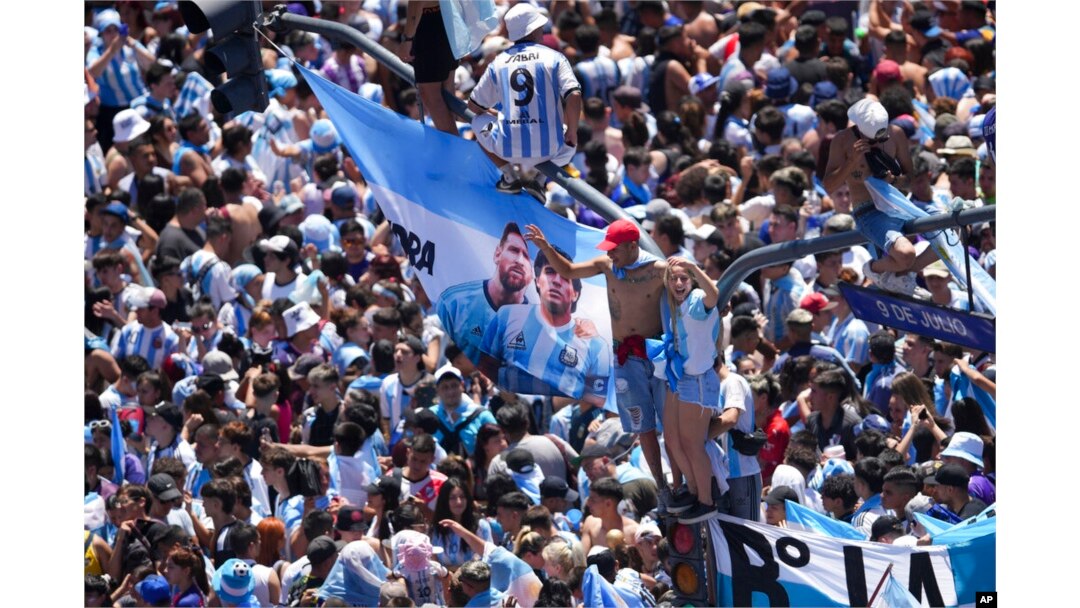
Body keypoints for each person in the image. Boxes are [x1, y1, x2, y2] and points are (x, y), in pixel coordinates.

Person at [523, 220, 670, 503]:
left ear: (632, 246)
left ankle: (678, 481)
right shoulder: (606, 266)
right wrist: (544, 247)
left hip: (655, 355)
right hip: (624, 359)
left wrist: (719, 301)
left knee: (671, 427)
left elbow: (696, 292)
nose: (611, 254)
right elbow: (568, 271)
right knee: (645, 428)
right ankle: (664, 486)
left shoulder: (660, 270)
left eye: (615, 249)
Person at [468, 3, 581, 200]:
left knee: (477, 123)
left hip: (507, 148)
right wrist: (572, 131)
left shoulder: (499, 62)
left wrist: (496, 114)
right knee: (571, 140)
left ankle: (510, 177)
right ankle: (539, 180)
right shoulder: (555, 58)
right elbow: (574, 95)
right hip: (550, 149)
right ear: (535, 29)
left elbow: (474, 106)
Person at [822, 98, 935, 295]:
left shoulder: (897, 134)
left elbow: (910, 179)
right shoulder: (842, 141)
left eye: (882, 138)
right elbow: (829, 186)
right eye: (873, 140)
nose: (878, 142)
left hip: (899, 206)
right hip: (868, 211)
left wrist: (893, 181)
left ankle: (901, 275)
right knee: (906, 254)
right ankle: (873, 269)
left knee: (953, 232)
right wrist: (852, 161)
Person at [479, 244, 612, 407]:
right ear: (537, 282)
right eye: (549, 272)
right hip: (504, 419)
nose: (556, 281)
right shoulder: (506, 317)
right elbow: (485, 365)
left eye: (564, 276)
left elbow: (598, 398)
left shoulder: (596, 346)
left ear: (575, 294)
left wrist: (549, 410)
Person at [658, 256, 721, 523]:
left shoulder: (696, 300)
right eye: (673, 278)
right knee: (672, 440)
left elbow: (714, 296)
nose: (679, 282)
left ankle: (706, 501)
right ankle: (694, 491)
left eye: (684, 277)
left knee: (693, 445)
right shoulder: (678, 305)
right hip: (682, 376)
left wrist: (695, 268)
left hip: (698, 380)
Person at [437, 222, 534, 364]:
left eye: (526, 256)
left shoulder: (538, 325)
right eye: (514, 250)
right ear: (497, 254)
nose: (520, 260)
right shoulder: (454, 303)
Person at [398, 0, 457, 134]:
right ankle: (455, 143)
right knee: (446, 89)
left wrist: (407, 39)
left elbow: (417, 2)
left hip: (429, 23)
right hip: (446, 17)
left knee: (431, 95)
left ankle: (453, 147)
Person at [428, 365, 497, 457]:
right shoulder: (429, 416)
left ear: (462, 386)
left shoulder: (482, 416)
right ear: (437, 390)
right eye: (445, 387)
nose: (450, 392)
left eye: (454, 385)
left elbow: (498, 446)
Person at [580, 477, 639, 555]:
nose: (588, 503)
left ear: (608, 503)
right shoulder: (590, 523)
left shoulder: (633, 532)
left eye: (593, 500)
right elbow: (582, 561)